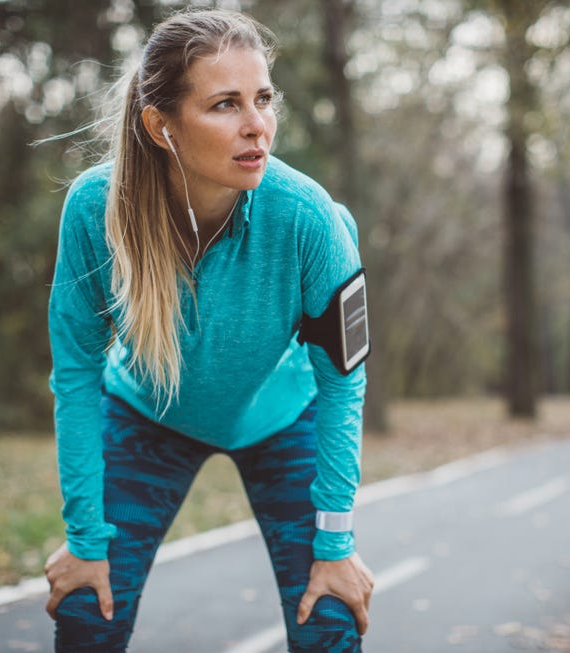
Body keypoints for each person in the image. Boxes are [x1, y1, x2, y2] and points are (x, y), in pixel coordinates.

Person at [43, 8, 374, 652]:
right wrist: (85, 541)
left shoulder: (311, 218)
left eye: (263, 99)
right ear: (160, 126)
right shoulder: (93, 209)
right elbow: (76, 373)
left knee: (330, 615)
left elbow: (343, 384)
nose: (257, 126)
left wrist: (336, 545)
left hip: (284, 419)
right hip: (147, 415)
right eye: (225, 104)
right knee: (87, 609)